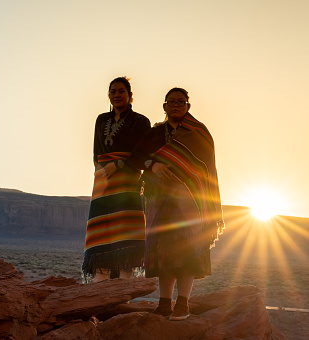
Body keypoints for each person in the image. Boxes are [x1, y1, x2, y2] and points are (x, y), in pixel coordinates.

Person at [127, 87, 224, 320]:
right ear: (164, 106)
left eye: (181, 101)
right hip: (159, 199)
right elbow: (135, 158)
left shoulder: (199, 134)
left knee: (188, 250)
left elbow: (206, 170)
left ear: (188, 106)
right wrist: (153, 165)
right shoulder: (155, 133)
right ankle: (164, 304)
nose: (176, 105)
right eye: (171, 102)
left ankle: (183, 303)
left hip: (190, 201)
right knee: (164, 252)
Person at [82, 76, 151, 283]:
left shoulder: (141, 121)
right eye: (113, 92)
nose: (117, 95)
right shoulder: (101, 119)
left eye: (121, 91)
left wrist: (118, 165)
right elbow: (96, 153)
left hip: (128, 184)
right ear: (108, 96)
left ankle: (123, 293)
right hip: (102, 184)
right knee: (102, 233)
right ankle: (99, 291)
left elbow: (143, 155)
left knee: (126, 235)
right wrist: (100, 174)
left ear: (131, 95)